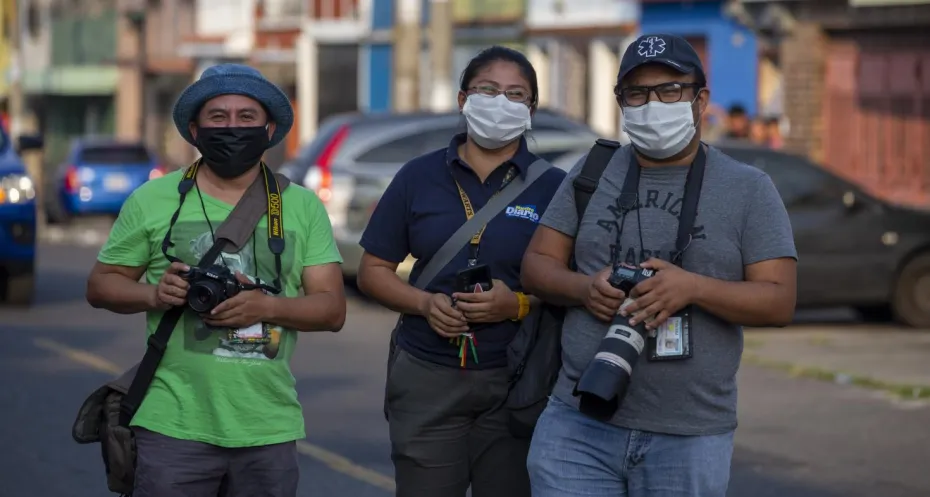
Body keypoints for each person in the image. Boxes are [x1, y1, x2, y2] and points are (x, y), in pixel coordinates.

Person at [521, 34, 797, 497]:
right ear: (621, 102)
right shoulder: (591, 173)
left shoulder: (749, 188)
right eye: (638, 93)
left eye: (670, 90)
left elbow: (779, 300)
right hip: (577, 423)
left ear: (700, 98)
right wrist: (584, 288)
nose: (653, 104)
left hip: (689, 435)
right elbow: (536, 265)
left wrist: (693, 289)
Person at [85, 63, 346, 497]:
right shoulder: (153, 199)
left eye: (247, 117)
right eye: (218, 116)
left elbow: (332, 309)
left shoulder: (301, 206)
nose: (232, 127)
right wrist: (154, 293)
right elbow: (100, 286)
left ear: (268, 129)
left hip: (268, 425)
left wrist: (266, 306)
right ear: (194, 128)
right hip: (172, 423)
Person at [355, 46, 566, 497]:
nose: (500, 103)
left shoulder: (555, 188)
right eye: (488, 90)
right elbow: (373, 270)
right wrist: (423, 303)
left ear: (530, 110)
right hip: (427, 373)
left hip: (519, 378)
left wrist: (518, 303)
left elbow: (573, 285)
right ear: (462, 99)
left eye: (515, 95)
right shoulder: (418, 176)